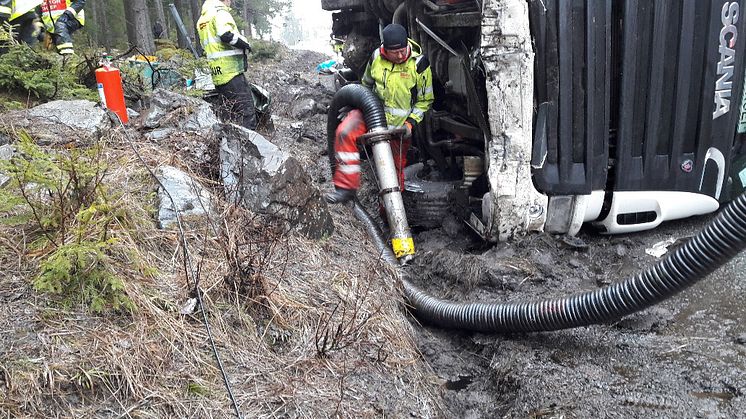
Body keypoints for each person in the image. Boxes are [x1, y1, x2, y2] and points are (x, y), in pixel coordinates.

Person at [326, 23, 434, 204]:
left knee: (393, 174)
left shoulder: (419, 64)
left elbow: (426, 100)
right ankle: (346, 189)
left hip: (399, 127)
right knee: (345, 133)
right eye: (395, 52)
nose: (400, 55)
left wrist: (411, 123)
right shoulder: (376, 57)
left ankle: (389, 217)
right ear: (385, 50)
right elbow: (366, 86)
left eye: (403, 50)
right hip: (371, 115)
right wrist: (354, 104)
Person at [197, 0, 257, 130]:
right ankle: (246, 148)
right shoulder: (219, 12)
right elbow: (226, 35)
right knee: (246, 114)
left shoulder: (203, 18)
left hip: (217, 73)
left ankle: (230, 146)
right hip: (231, 71)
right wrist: (246, 44)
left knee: (230, 114)